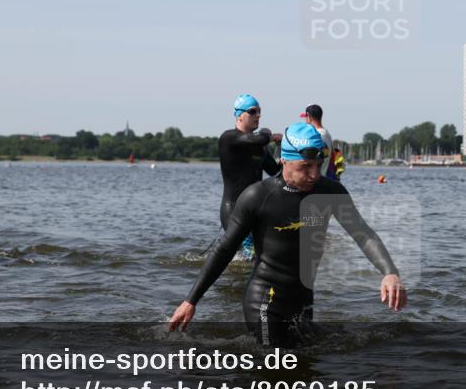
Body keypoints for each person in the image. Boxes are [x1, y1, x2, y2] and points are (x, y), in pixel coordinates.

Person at [170, 122, 407, 347]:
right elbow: (224, 249)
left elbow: (362, 233)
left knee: (306, 372)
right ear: (284, 160)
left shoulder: (330, 192)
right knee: (275, 366)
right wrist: (191, 301)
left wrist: (390, 273)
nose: (314, 175)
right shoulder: (258, 196)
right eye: (305, 167)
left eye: (317, 165)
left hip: (303, 301)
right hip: (264, 301)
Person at [219, 95, 282, 257]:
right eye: (252, 111)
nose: (258, 115)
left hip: (256, 210)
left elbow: (276, 172)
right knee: (250, 256)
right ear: (239, 115)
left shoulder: (260, 148)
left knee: (261, 254)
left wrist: (282, 149)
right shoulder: (228, 138)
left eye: (259, 111)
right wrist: (269, 134)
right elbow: (259, 138)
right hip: (234, 210)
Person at [301, 104, 337, 180]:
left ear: (309, 116)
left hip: (317, 180)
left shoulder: (317, 135)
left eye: (305, 118)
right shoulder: (326, 134)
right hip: (322, 179)